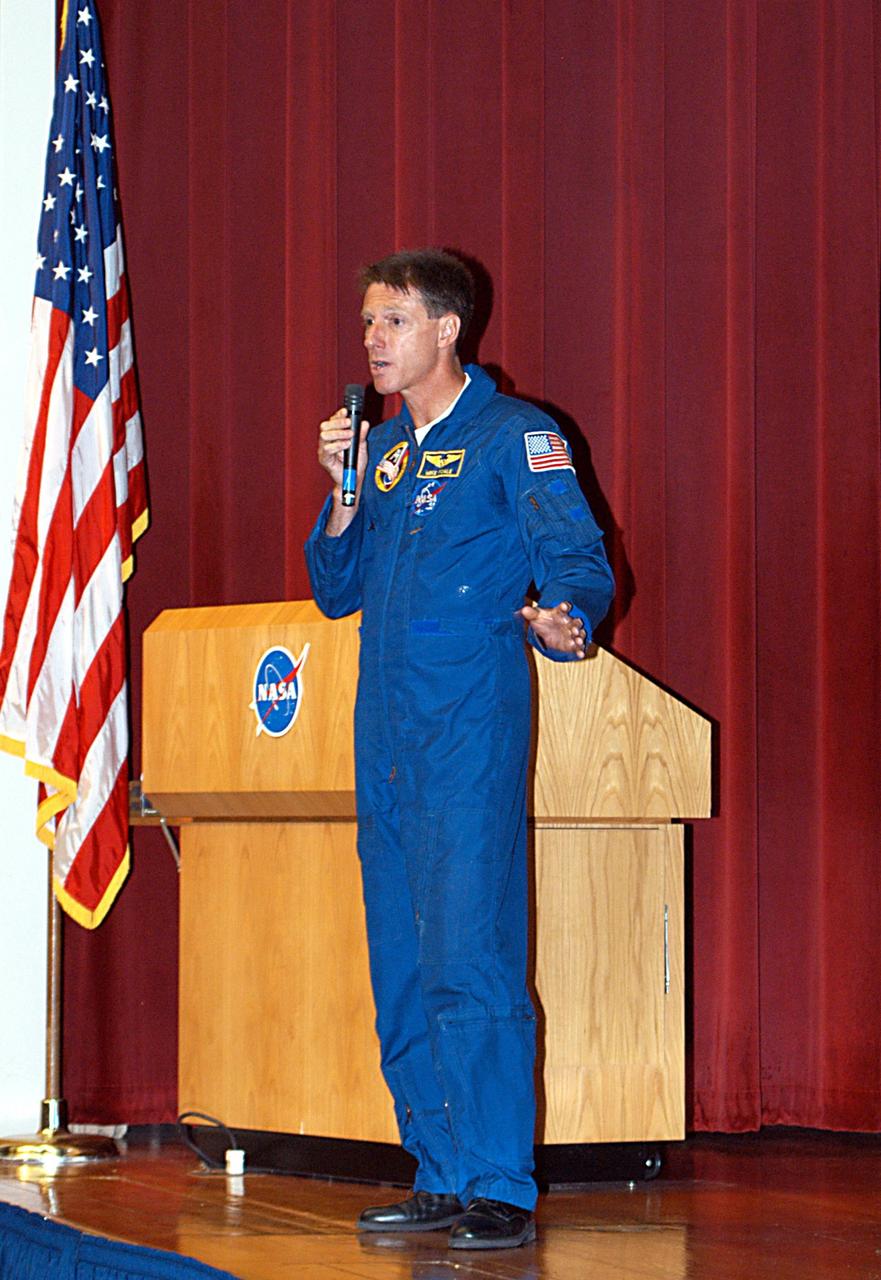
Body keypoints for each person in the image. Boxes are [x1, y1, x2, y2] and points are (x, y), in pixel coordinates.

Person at [305, 248, 614, 1250]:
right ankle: (436, 1166)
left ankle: (496, 1181)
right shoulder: (384, 455)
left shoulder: (513, 436)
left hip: (465, 735)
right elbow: (334, 586)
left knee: (469, 957)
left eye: (389, 321)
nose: (371, 340)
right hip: (384, 739)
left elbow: (571, 556)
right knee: (401, 957)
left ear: (446, 328)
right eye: (365, 324)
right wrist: (343, 488)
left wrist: (568, 617)